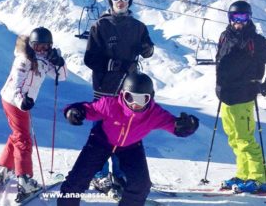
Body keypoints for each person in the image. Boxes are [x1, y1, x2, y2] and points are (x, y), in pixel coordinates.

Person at [57, 72, 199, 206]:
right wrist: (73, 111)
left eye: (142, 99)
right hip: (101, 141)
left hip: (130, 147)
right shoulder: (110, 105)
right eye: (129, 97)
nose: (134, 104)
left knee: (141, 185)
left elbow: (175, 127)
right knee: (76, 181)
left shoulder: (154, 114)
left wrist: (187, 126)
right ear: (122, 94)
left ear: (151, 97)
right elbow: (88, 109)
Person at [83, 0, 154, 195]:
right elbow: (90, 59)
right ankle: (100, 174)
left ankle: (121, 174)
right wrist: (113, 65)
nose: (120, 1)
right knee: (102, 132)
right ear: (110, 0)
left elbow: (148, 51)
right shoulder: (100, 26)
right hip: (105, 89)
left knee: (125, 132)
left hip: (129, 92)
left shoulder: (138, 27)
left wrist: (146, 48)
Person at [0, 27, 67, 201]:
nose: (41, 51)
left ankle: (8, 166)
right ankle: (25, 179)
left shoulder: (44, 59)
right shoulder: (23, 60)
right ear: (31, 45)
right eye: (38, 47)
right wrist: (22, 101)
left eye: (45, 47)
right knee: (24, 139)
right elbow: (15, 86)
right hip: (14, 101)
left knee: (19, 135)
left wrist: (59, 62)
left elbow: (61, 77)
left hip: (20, 102)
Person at [216, 0, 266, 193]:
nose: (239, 22)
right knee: (234, 139)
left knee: (246, 139)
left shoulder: (256, 41)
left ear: (249, 18)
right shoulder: (224, 37)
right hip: (226, 97)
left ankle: (259, 178)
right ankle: (244, 174)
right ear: (230, 18)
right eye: (235, 17)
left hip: (243, 97)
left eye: (243, 17)